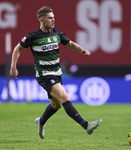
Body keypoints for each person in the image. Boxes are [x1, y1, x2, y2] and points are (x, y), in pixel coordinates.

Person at [10, 6, 102, 139]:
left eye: (54, 17)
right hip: (45, 75)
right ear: (42, 20)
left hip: (57, 73)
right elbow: (17, 49)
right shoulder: (33, 36)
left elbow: (69, 43)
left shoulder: (56, 33)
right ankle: (86, 125)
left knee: (57, 104)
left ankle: (41, 122)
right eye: (50, 18)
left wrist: (82, 50)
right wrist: (13, 67)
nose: (53, 20)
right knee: (64, 98)